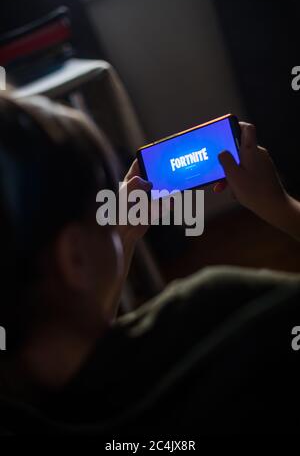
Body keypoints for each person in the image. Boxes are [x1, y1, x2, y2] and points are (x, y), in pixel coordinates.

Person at [0, 92, 299, 436]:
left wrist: (120, 240)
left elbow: (86, 354)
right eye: (101, 197)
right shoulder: (223, 312)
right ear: (74, 256)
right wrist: (280, 206)